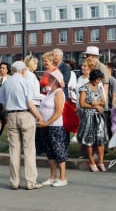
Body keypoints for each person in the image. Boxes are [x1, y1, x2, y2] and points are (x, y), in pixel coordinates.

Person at [0, 61, 44, 190]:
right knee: (29, 149)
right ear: (23, 70)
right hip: (25, 114)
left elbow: (3, 104)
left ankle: (14, 181)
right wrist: (39, 116)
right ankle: (30, 181)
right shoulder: (26, 82)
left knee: (14, 150)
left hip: (11, 115)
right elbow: (30, 103)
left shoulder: (6, 82)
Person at [37, 70, 68, 187]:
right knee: (50, 152)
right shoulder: (50, 92)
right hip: (46, 125)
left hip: (55, 126)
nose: (48, 79)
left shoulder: (59, 92)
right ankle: (52, 176)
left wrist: (47, 122)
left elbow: (58, 111)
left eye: (50, 77)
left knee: (58, 150)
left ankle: (63, 177)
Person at [77, 69, 108, 172]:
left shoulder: (99, 88)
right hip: (88, 117)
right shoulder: (84, 88)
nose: (99, 81)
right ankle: (91, 161)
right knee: (89, 139)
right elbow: (82, 104)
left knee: (101, 139)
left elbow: (104, 102)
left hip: (99, 117)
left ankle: (101, 161)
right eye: (98, 79)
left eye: (100, 79)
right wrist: (94, 105)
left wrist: (97, 103)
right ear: (93, 78)